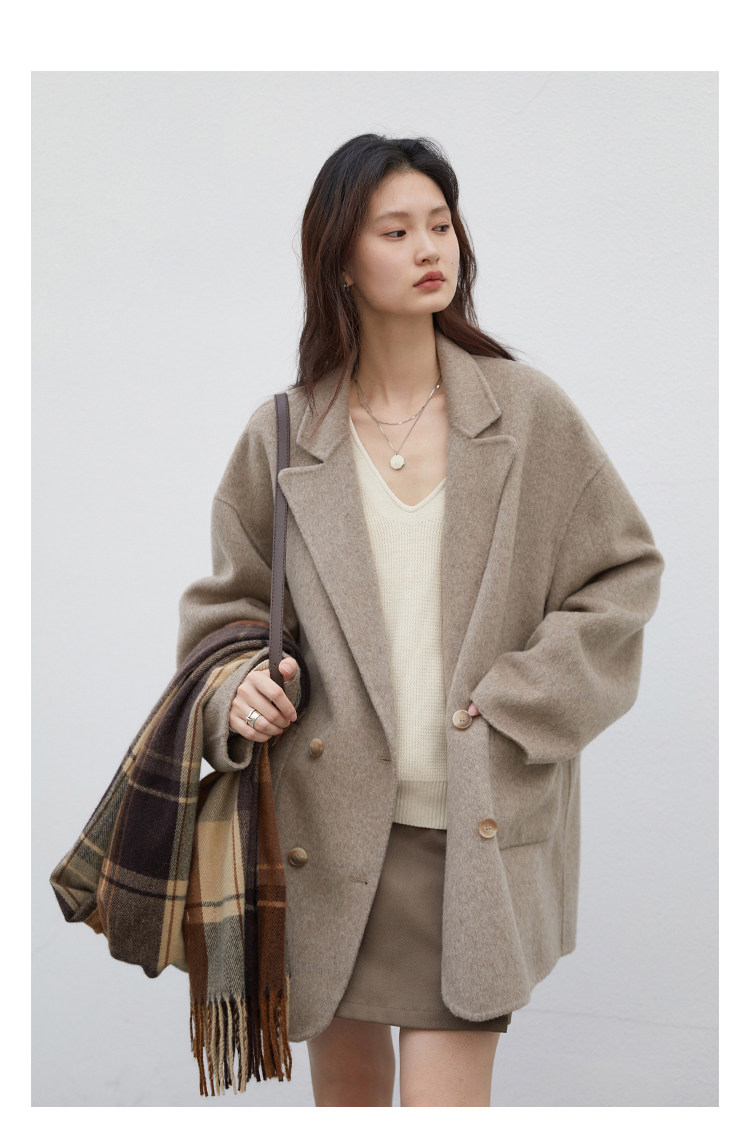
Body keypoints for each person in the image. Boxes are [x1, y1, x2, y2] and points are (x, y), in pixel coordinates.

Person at [176, 133, 665, 1107]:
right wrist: (238, 694)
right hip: (328, 835)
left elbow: (621, 574)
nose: (428, 248)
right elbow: (226, 611)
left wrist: (517, 703)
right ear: (340, 260)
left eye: (440, 225)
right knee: (348, 1101)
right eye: (395, 231)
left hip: (474, 829)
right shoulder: (286, 433)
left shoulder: (526, 412)